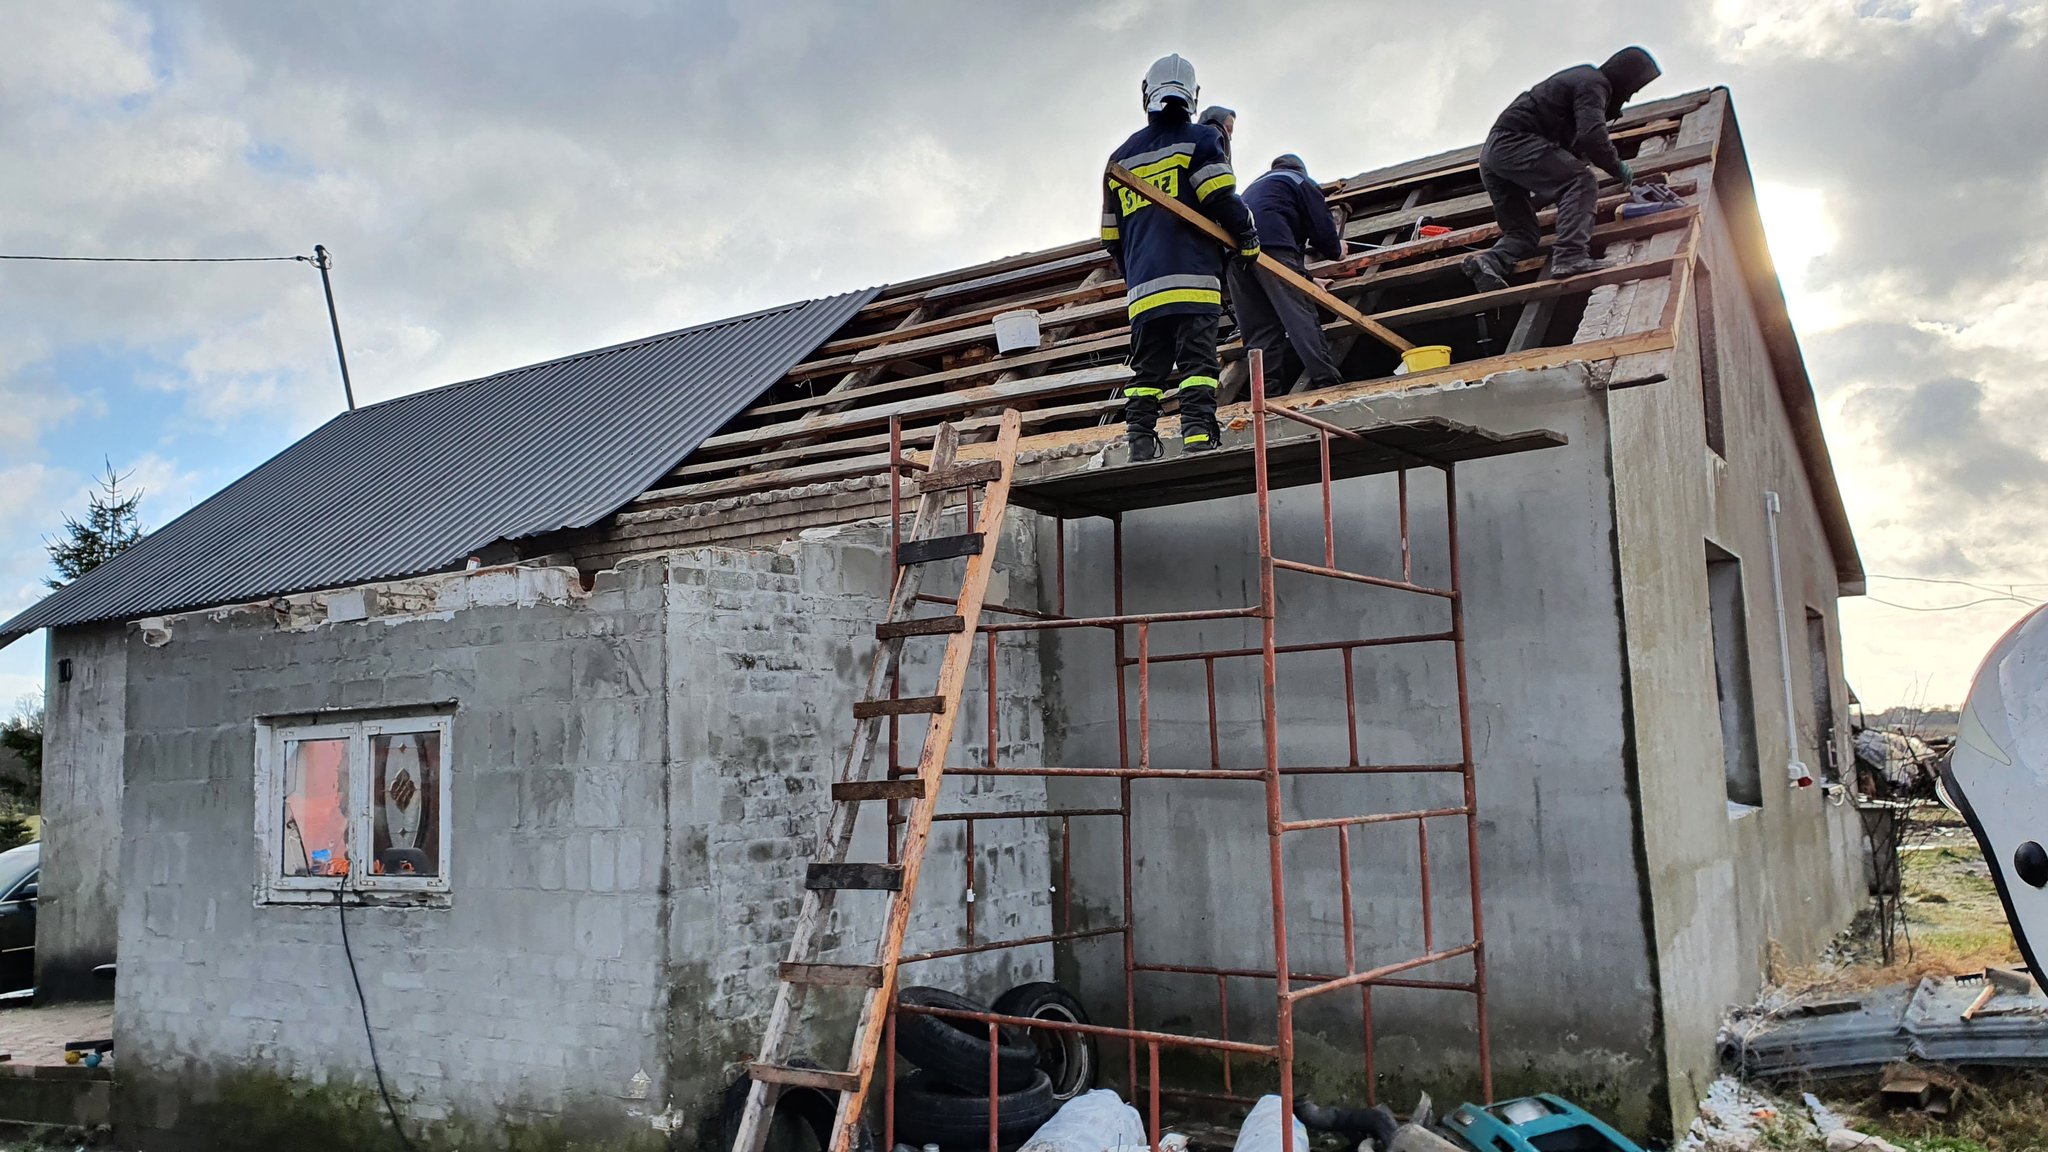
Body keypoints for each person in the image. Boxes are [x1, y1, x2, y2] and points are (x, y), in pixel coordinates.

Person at [1102, 55, 1260, 461]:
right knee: (1197, 366)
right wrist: (1247, 239)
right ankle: (1198, 439)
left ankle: (1139, 441)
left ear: (1145, 92)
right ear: (1194, 95)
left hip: (1143, 292)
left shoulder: (1119, 159)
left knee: (1146, 373)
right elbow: (1222, 199)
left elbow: (1110, 237)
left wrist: (1137, 275)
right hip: (1193, 280)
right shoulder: (1201, 141)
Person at [1461, 47, 1662, 292]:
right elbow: (1592, 135)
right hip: (1515, 143)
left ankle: (1488, 262)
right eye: (1634, 89)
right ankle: (1570, 256)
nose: (1629, 97)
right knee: (1581, 181)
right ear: (1625, 77)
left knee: (1522, 233)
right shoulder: (1594, 82)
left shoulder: (1579, 85)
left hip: (1493, 156)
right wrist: (1616, 166)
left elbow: (1568, 155)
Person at [1229, 154, 1349, 396]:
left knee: (1259, 328)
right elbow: (1320, 228)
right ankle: (1327, 381)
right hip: (1270, 248)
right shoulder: (1300, 181)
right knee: (1299, 316)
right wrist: (1337, 250)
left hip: (1234, 255)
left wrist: (1308, 278)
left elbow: (1282, 257)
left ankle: (1266, 394)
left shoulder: (1254, 189)